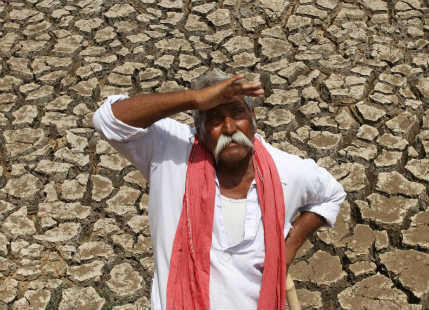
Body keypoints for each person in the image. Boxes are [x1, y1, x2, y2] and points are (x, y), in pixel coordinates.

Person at [93, 70, 346, 310]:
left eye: (237, 114)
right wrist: (195, 99)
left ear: (253, 120)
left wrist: (288, 249)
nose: (228, 128)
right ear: (199, 131)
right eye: (214, 118)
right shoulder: (171, 152)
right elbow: (108, 120)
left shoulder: (286, 171)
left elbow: (331, 195)